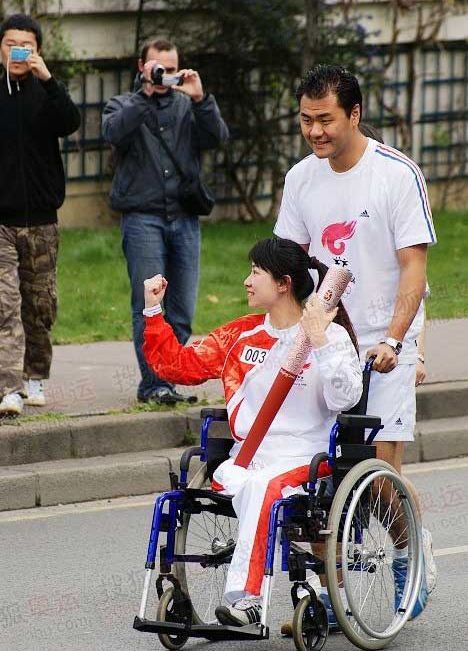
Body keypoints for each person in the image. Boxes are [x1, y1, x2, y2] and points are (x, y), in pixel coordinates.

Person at [273, 64, 437, 618]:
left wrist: (397, 340)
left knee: (382, 478)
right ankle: (331, 590)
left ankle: (410, 561)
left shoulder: (395, 175)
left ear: (355, 115)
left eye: (326, 119)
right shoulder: (301, 179)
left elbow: (413, 268)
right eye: (305, 120)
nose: (315, 131)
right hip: (329, 339)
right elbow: (286, 266)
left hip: (386, 338)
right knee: (323, 471)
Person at [142, 237, 363, 625]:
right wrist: (153, 310)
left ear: (283, 283)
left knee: (264, 490)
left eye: (255, 273)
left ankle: (246, 598)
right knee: (244, 485)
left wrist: (320, 341)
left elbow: (345, 397)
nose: (246, 281)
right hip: (247, 458)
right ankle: (296, 576)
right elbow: (179, 366)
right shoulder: (240, 337)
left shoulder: (331, 335)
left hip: (307, 457)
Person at [102, 38, 229, 405]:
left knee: (182, 309)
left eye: (170, 68)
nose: (163, 73)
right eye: (157, 66)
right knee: (149, 305)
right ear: (141, 65)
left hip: (185, 217)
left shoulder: (186, 106)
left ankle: (167, 378)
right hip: (142, 218)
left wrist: (201, 100)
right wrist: (145, 95)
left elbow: (216, 137)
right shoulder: (123, 104)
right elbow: (112, 133)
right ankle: (153, 384)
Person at [0, 14, 81, 416]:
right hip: (2, 223)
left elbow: (71, 122)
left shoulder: (47, 94)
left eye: (25, 46)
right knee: (5, 304)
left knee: (39, 305)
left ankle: (35, 375)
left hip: (44, 221)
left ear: (36, 51)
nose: (16, 51)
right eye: (10, 43)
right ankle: (9, 387)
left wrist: (47, 79)